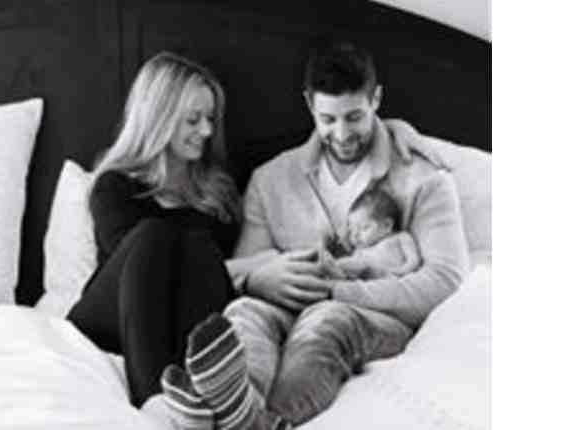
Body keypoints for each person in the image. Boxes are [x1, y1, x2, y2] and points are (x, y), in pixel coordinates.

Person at [153, 41, 470, 430]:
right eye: (328, 119)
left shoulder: (423, 177)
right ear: (308, 104)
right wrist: (261, 278)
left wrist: (341, 292)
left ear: (376, 99)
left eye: (354, 117)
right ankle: (239, 410)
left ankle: (264, 423)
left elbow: (446, 281)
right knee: (244, 314)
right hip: (284, 307)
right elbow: (243, 268)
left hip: (371, 316)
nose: (342, 134)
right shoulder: (271, 178)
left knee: (324, 322)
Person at [67, 52, 242, 408]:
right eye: (193, 120)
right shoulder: (114, 186)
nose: (207, 131)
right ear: (159, 118)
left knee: (198, 245)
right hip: (113, 317)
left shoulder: (217, 194)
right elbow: (140, 267)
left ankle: (199, 394)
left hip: (181, 327)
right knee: (154, 236)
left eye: (210, 119)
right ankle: (155, 405)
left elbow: (214, 279)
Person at [317, 186, 421, 281]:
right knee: (353, 264)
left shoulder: (401, 237)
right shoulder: (361, 249)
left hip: (389, 277)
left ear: (387, 225)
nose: (355, 235)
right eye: (351, 230)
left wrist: (400, 272)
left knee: (359, 264)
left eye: (363, 227)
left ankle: (333, 268)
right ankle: (333, 268)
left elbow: (414, 261)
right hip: (363, 276)